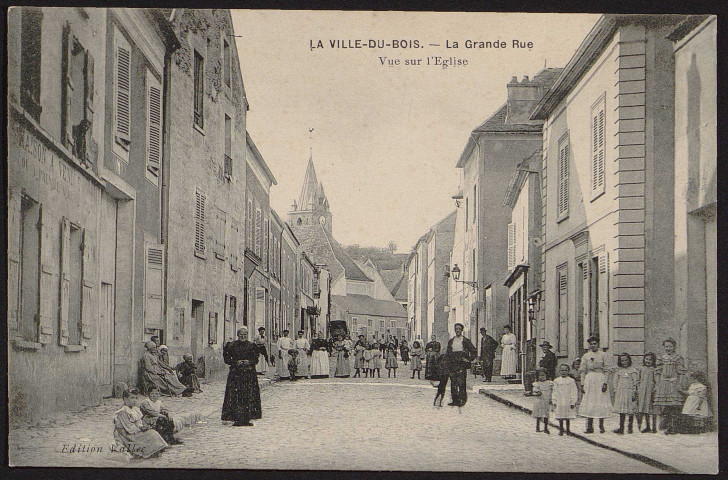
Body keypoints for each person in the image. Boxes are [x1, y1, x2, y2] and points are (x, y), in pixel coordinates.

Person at [221, 327, 261, 427]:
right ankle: (236, 418)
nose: (243, 336)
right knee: (235, 395)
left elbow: (256, 360)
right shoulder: (231, 345)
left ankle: (248, 418)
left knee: (249, 395)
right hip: (236, 374)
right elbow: (226, 359)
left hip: (249, 374)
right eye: (241, 335)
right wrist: (235, 362)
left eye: (245, 335)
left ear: (247, 335)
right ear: (238, 335)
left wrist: (249, 362)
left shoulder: (252, 346)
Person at [113, 389, 168, 458]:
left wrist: (142, 426)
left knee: (152, 432)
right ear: (125, 399)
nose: (134, 400)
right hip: (126, 435)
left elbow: (138, 422)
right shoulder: (123, 412)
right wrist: (141, 429)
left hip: (134, 431)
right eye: (132, 398)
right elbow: (130, 429)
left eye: (136, 398)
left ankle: (155, 451)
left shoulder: (134, 409)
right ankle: (148, 452)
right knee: (151, 434)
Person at [578, 336, 614, 433]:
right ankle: (589, 426)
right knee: (590, 401)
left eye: (595, 343)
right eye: (591, 344)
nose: (593, 345)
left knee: (600, 401)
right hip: (589, 379)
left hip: (600, 379)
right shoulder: (586, 356)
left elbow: (607, 370)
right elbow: (582, 370)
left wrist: (605, 383)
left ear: (598, 344)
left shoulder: (604, 355)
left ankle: (601, 426)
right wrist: (582, 383)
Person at [654, 338, 687, 434]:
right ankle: (665, 424)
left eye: (670, 346)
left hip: (674, 383)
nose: (668, 348)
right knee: (665, 406)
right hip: (664, 383)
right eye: (666, 346)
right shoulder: (661, 358)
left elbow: (681, 372)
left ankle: (673, 427)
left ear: (674, 347)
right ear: (664, 347)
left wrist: (680, 384)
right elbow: (658, 372)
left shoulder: (678, 358)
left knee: (674, 405)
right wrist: (658, 383)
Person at [445, 323, 477, 407]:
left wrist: (469, 360)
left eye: (459, 329)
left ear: (462, 330)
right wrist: (447, 363)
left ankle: (462, 400)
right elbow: (448, 353)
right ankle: (455, 400)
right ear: (454, 330)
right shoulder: (451, 341)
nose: (458, 330)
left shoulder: (465, 340)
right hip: (453, 364)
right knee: (453, 382)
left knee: (461, 382)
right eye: (456, 329)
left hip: (461, 364)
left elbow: (473, 351)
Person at [612, 353, 639, 434]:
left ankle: (630, 427)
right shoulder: (618, 371)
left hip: (629, 391)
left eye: (626, 360)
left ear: (629, 360)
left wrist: (634, 391)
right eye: (622, 360)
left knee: (630, 410)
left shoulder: (633, 371)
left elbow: (635, 381)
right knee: (622, 411)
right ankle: (621, 427)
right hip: (621, 391)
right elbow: (615, 381)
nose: (624, 362)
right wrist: (616, 390)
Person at [552, 364, 578, 436]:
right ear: (559, 371)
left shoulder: (571, 381)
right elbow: (555, 391)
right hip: (560, 400)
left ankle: (568, 430)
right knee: (560, 416)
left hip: (568, 400)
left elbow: (574, 391)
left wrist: (573, 401)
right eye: (562, 370)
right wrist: (554, 400)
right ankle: (561, 429)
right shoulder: (557, 381)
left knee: (567, 416)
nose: (564, 372)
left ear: (568, 371)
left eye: (565, 370)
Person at [636, 352, 657, 433]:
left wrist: (654, 389)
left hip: (650, 391)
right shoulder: (641, 369)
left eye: (650, 360)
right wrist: (638, 389)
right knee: (644, 409)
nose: (648, 361)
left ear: (653, 361)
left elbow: (656, 381)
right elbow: (638, 380)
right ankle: (647, 426)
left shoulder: (654, 370)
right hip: (642, 391)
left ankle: (654, 427)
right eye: (647, 359)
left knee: (652, 409)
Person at [532, 369, 554, 434]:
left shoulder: (550, 383)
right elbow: (534, 392)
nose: (542, 377)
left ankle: (545, 428)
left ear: (546, 376)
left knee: (546, 414)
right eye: (540, 375)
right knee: (539, 414)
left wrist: (552, 399)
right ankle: (537, 427)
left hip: (546, 400)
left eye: (543, 375)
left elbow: (553, 391)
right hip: (539, 400)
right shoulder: (537, 384)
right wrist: (537, 393)